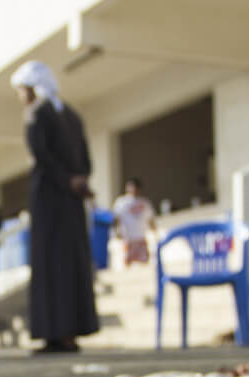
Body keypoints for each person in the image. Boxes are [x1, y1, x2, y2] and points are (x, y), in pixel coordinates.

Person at [10, 60, 98, 354]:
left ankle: (54, 333)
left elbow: (41, 155)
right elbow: (86, 159)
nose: (21, 98)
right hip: (72, 200)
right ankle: (70, 331)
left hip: (49, 198)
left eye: (22, 91)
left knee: (50, 262)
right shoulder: (72, 115)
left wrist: (65, 180)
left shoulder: (36, 113)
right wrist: (78, 181)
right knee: (70, 261)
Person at [112, 177, 156, 265]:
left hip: (141, 238)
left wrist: (154, 232)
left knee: (144, 262)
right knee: (127, 263)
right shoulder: (121, 202)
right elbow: (116, 218)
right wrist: (116, 231)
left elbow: (150, 219)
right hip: (128, 238)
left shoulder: (144, 202)